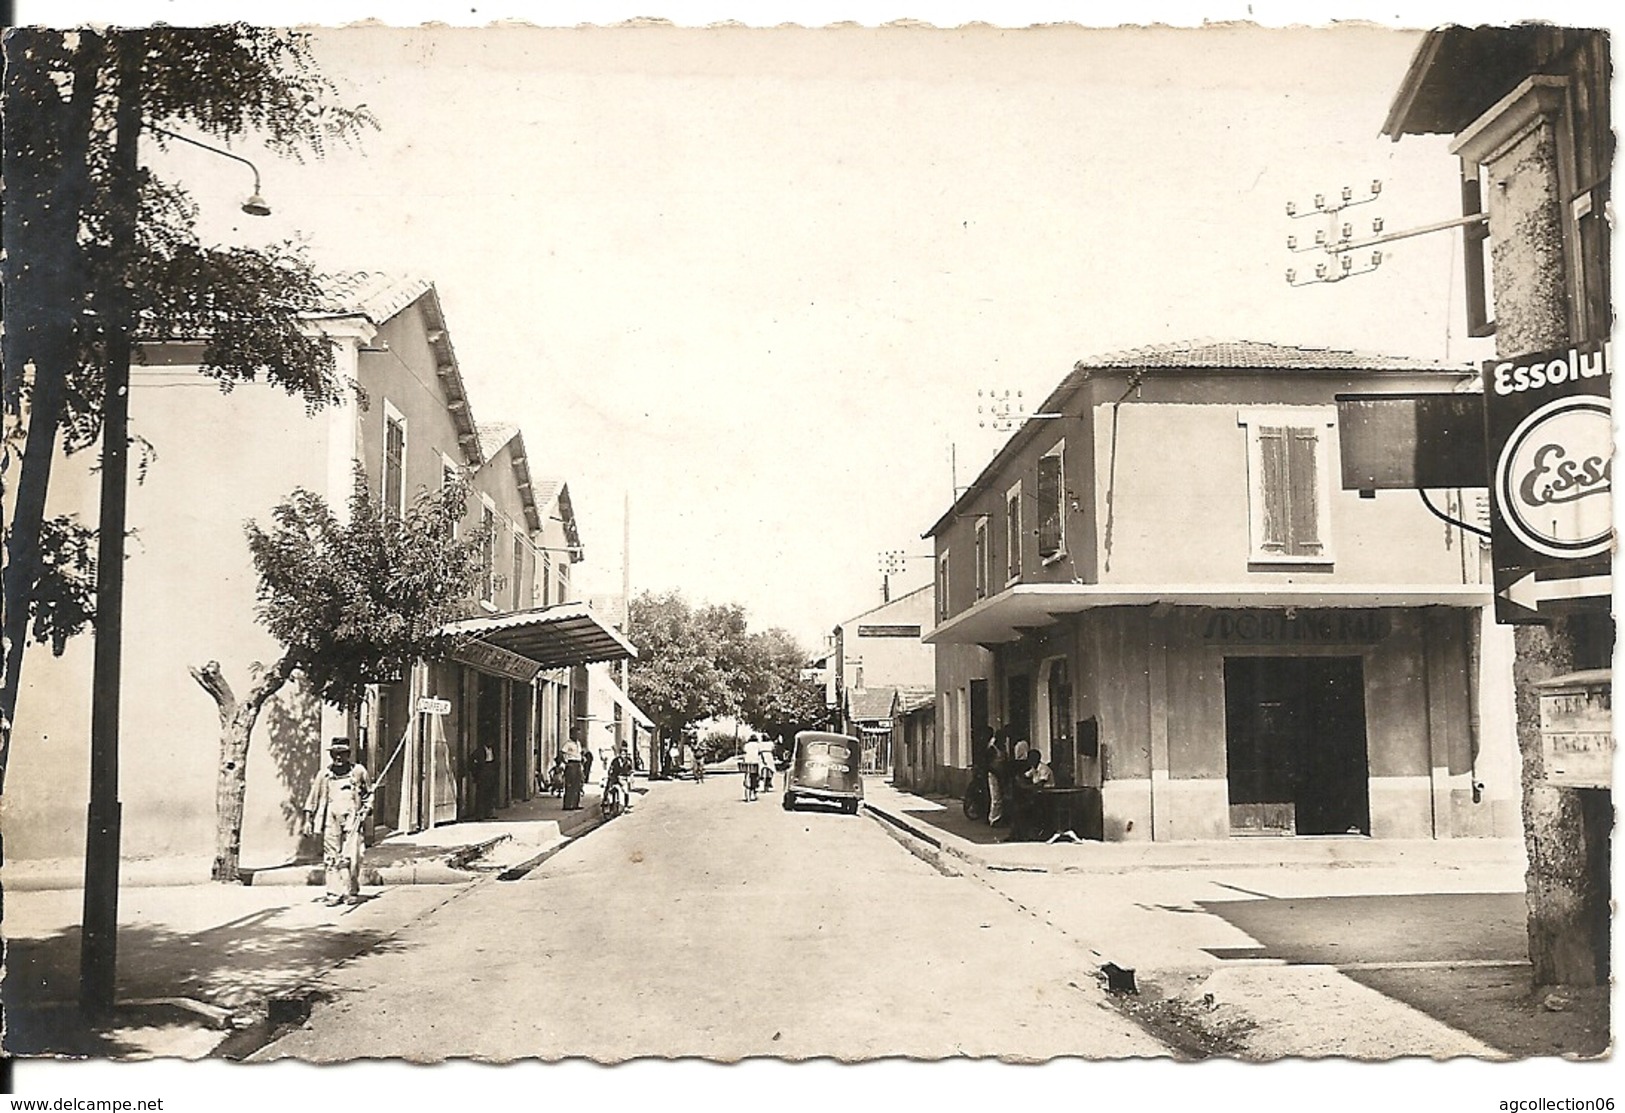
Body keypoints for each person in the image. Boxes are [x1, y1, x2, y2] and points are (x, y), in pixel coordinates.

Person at [302, 738, 372, 907]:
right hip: (330, 818)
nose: (338, 757)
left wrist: (367, 808)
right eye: (335, 754)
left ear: (348, 754)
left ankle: (350, 891)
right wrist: (308, 820)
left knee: (352, 857)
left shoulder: (358, 772)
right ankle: (333, 893)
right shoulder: (324, 774)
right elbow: (313, 797)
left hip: (352, 819)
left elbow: (368, 794)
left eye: (342, 754)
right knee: (331, 857)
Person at [985, 729, 1010, 827]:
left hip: (1001, 774)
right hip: (994, 775)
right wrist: (997, 773)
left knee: (1001, 796)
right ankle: (993, 819)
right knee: (996, 798)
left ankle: (999, 818)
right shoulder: (992, 748)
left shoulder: (1002, 748)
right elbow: (989, 764)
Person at [607, 746, 635, 811]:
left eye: (624, 754)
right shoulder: (615, 761)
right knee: (610, 789)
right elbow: (611, 769)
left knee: (626, 791)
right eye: (622, 754)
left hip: (623, 778)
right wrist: (610, 775)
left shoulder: (628, 761)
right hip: (615, 777)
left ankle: (626, 806)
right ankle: (611, 805)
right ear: (619, 754)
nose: (623, 755)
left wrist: (631, 778)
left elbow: (631, 770)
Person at [562, 738, 585, 810]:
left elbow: (580, 753)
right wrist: (566, 762)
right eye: (575, 733)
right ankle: (567, 805)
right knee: (570, 785)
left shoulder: (578, 743)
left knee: (577, 785)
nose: (577, 735)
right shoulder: (568, 744)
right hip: (571, 763)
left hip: (578, 763)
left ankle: (575, 804)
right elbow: (562, 753)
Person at [742, 734, 762, 802]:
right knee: (755, 776)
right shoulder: (757, 745)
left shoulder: (747, 745)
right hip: (755, 762)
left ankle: (747, 793)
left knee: (747, 775)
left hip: (747, 761)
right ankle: (754, 791)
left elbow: (744, 751)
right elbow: (759, 752)